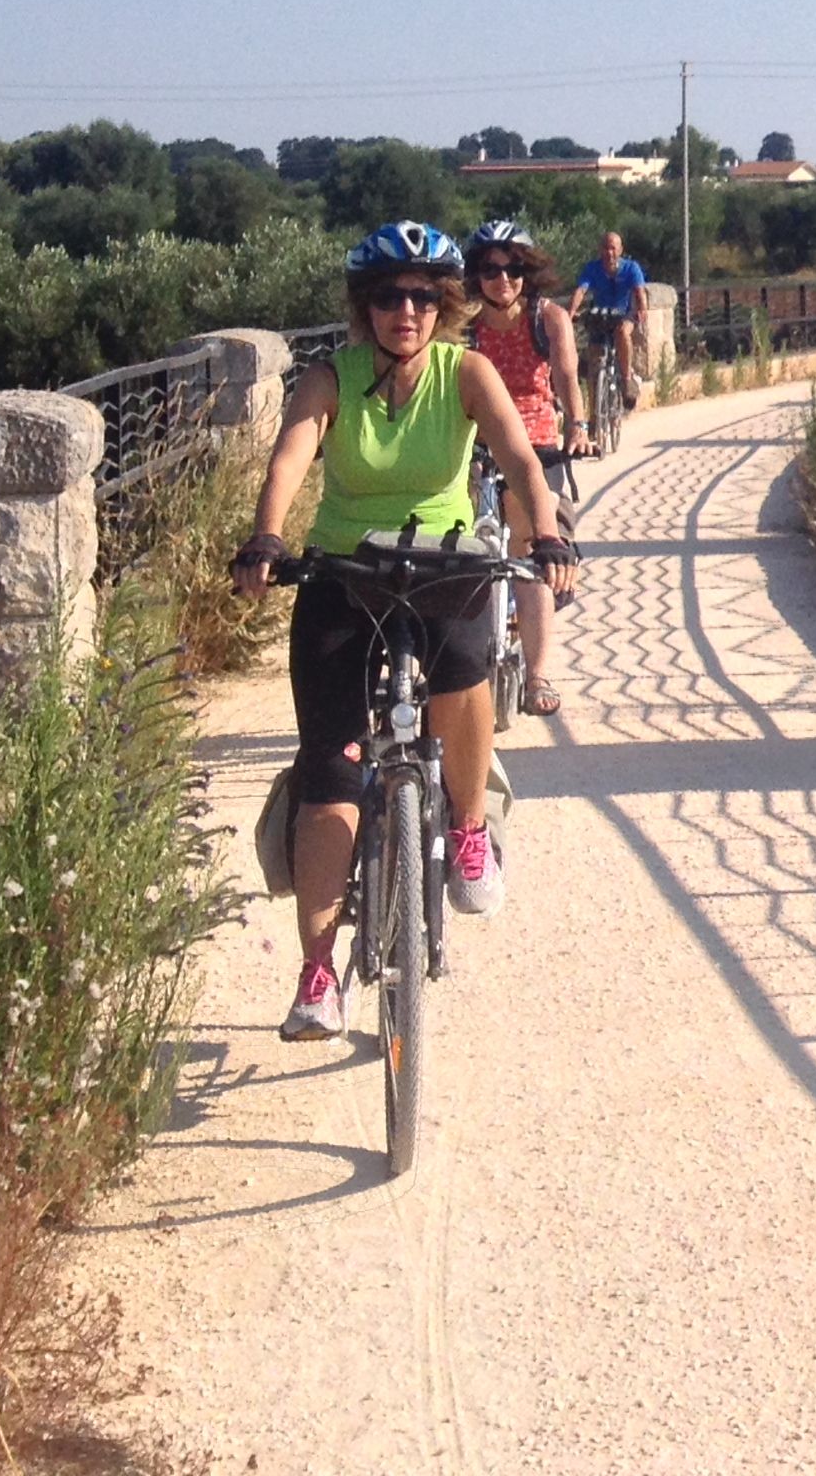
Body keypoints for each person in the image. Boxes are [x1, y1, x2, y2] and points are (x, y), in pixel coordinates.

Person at [230, 223, 578, 1042]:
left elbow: (519, 458)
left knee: (463, 677)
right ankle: (319, 974)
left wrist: (547, 532)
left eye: (424, 296)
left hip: (442, 564)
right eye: (389, 296)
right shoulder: (332, 378)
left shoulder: (466, 373)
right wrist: (267, 538)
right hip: (344, 573)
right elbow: (290, 458)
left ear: (445, 304)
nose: (407, 311)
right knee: (330, 770)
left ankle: (467, 828)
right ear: (365, 307)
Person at [466, 218, 584, 717]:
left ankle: (537, 674)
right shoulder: (464, 325)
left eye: (513, 269)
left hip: (535, 443)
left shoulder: (548, 318)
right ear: (475, 274)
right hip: (475, 441)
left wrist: (577, 426)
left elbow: (567, 377)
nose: (503, 280)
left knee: (533, 546)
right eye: (491, 270)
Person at [571, 228, 649, 435]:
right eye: (606, 248)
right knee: (593, 366)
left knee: (622, 333)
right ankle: (594, 417)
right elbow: (581, 290)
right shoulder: (592, 268)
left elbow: (639, 291)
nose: (609, 253)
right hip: (601, 315)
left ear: (620, 250)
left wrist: (642, 309)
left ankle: (626, 379)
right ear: (600, 250)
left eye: (613, 248)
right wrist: (570, 312)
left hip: (625, 314)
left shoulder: (631, 268)